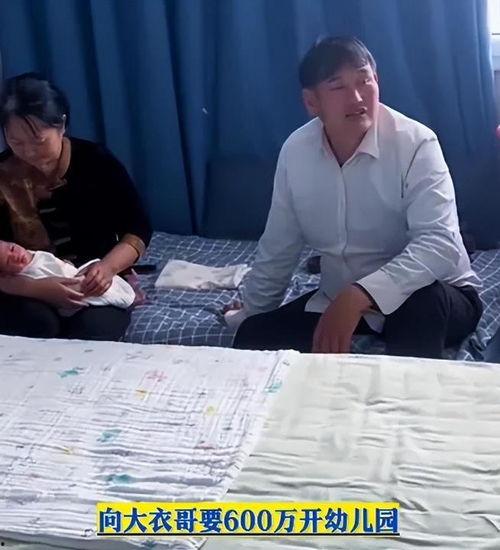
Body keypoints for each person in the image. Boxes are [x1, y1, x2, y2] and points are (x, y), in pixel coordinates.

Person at [231, 36, 482, 359]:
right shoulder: (296, 152)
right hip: (339, 299)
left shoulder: (416, 143)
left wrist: (361, 293)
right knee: (253, 335)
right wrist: (252, 311)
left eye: (365, 81)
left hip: (435, 294)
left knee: (420, 304)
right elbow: (279, 246)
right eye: (338, 87)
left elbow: (439, 244)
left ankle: (403, 392)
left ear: (377, 81)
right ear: (312, 102)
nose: (357, 97)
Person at [0, 73, 152, 341]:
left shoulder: (95, 161)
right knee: (37, 326)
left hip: (93, 278)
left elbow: (137, 228)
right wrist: (37, 289)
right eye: (16, 142)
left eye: (38, 141)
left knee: (91, 331)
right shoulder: (3, 174)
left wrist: (107, 268)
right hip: (22, 284)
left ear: (61, 125)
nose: (29, 152)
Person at [0, 240, 135, 315]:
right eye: (8, 261)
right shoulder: (23, 274)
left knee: (98, 276)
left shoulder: (32, 253)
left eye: (12, 249)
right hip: (68, 294)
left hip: (79, 268)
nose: (15, 256)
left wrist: (107, 267)